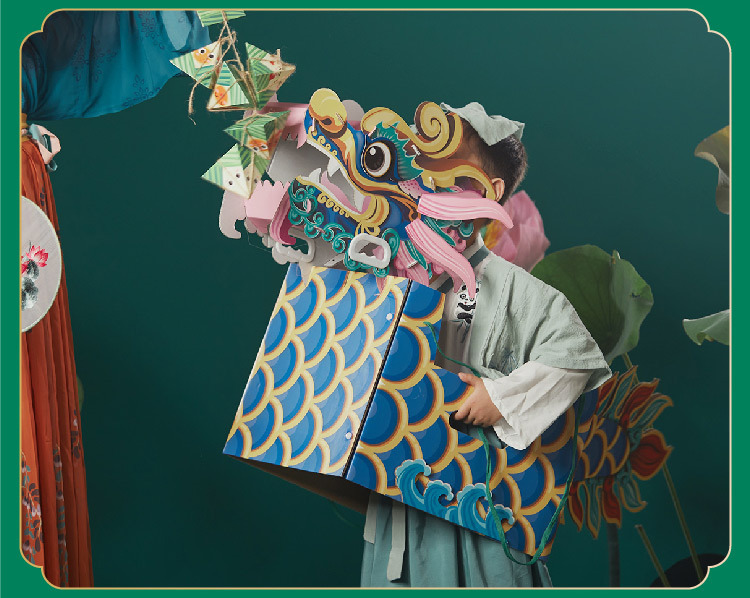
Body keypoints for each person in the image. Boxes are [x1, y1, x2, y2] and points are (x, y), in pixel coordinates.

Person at [360, 102, 612, 587]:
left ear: (490, 191)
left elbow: (575, 357)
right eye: (423, 168)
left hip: (481, 492)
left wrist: (500, 398)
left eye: (449, 172)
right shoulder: (392, 270)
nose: (430, 184)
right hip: (397, 482)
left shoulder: (518, 289)